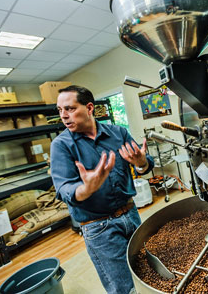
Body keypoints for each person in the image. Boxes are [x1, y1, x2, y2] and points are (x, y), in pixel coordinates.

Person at [50, 85, 154, 294]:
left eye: (69, 108)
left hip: (131, 214)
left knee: (147, 273)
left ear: (89, 108)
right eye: (60, 110)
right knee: (124, 288)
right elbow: (64, 190)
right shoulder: (61, 145)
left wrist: (141, 162)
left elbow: (144, 165)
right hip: (99, 228)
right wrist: (86, 188)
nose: (63, 115)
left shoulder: (118, 133)